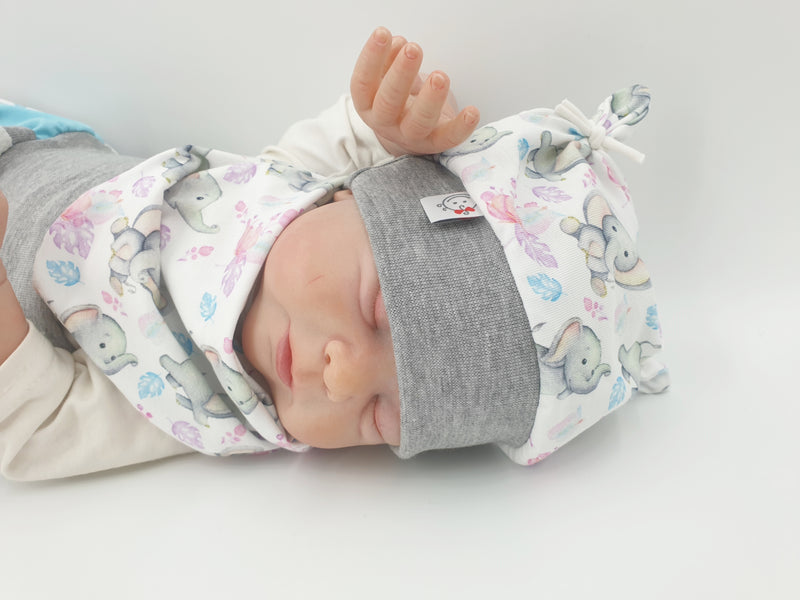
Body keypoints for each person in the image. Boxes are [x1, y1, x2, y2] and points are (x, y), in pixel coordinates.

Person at [0, 28, 668, 482]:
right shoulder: (294, 191)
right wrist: (390, 130)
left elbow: (38, 423)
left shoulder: (193, 402)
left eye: (380, 416)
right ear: (347, 196)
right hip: (49, 141)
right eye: (374, 309)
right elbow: (348, 138)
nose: (342, 379)